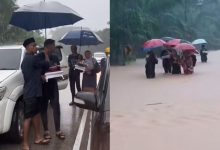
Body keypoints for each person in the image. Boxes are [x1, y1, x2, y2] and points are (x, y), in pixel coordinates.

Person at [21, 38, 50, 150]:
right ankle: (25, 144)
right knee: (28, 118)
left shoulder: (30, 59)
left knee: (36, 115)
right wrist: (46, 54)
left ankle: (38, 138)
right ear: (28, 47)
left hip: (36, 92)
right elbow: (46, 65)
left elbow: (36, 72)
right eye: (34, 45)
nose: (36, 47)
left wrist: (40, 76)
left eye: (36, 45)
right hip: (31, 93)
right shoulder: (31, 59)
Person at [40, 39, 65, 140]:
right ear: (48, 47)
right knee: (43, 109)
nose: (54, 47)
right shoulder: (39, 57)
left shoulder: (55, 57)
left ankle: (58, 130)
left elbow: (57, 68)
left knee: (56, 108)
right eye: (53, 46)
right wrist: (40, 75)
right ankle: (46, 131)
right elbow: (37, 71)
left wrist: (59, 74)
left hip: (53, 86)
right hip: (43, 87)